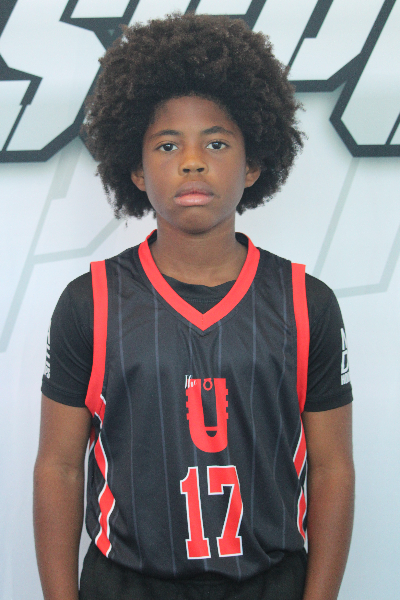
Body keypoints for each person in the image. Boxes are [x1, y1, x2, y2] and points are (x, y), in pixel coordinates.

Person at [34, 12, 354, 600]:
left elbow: (332, 467)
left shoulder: (308, 304)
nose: (192, 160)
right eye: (167, 144)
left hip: (269, 581)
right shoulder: (90, 301)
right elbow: (58, 465)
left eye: (216, 142)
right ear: (135, 169)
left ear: (254, 163)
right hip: (126, 584)